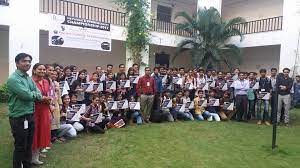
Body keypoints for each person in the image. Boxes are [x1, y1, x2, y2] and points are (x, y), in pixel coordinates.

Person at [7, 53, 42, 168]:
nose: (27, 63)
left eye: (29, 61)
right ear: (17, 63)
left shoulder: (28, 77)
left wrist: (34, 94)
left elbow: (38, 93)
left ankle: (27, 165)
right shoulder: (13, 79)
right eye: (24, 61)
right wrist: (34, 94)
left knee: (28, 145)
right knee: (20, 146)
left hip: (29, 116)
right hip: (18, 117)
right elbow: (26, 95)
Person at [31, 63, 52, 165]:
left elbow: (47, 94)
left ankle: (35, 158)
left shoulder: (46, 81)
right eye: (40, 69)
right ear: (34, 70)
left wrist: (49, 101)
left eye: (44, 69)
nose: (42, 71)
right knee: (34, 133)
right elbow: (30, 96)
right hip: (34, 110)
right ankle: (29, 157)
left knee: (42, 133)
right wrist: (44, 99)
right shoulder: (30, 81)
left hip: (44, 110)